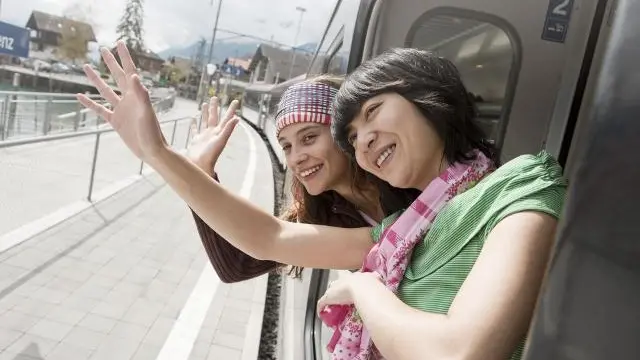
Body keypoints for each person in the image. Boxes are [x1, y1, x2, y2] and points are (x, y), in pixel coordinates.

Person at [78, 42, 565, 359]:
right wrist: (159, 154)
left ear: (430, 98)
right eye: (352, 134)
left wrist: (363, 289)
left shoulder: (520, 187)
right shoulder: (397, 231)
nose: (365, 140)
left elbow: (459, 354)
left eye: (374, 112)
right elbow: (270, 237)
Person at [186, 76, 417, 282]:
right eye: (287, 146)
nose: (296, 158)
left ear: (347, 134)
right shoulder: (320, 214)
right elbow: (237, 266)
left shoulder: (406, 179)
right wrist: (200, 173)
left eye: (309, 137)